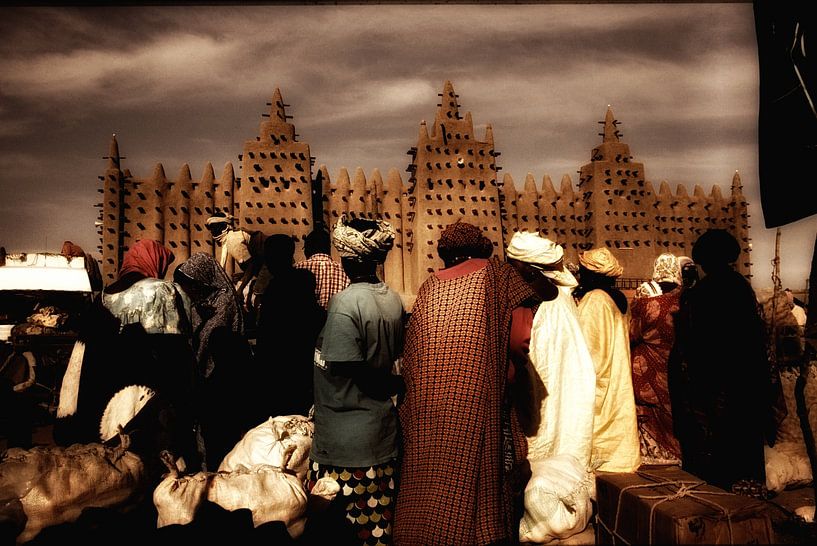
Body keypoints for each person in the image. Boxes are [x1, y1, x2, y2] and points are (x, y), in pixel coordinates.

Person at [394, 221, 537, 546]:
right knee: (483, 492)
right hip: (480, 405)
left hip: (427, 411)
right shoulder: (499, 276)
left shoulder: (430, 285)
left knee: (430, 489)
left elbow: (413, 354)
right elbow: (520, 339)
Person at [55, 239, 197, 476]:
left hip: (106, 405)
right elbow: (174, 355)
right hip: (147, 405)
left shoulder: (102, 297)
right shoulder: (160, 290)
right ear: (154, 261)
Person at [304, 216, 405, 546]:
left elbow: (349, 367)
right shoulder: (390, 298)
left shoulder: (346, 303)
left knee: (343, 533)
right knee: (378, 530)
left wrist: (388, 385)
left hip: (346, 446)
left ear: (347, 259)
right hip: (379, 435)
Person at [505, 232, 597, 542]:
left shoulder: (545, 297)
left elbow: (537, 352)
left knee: (542, 447)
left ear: (530, 270)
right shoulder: (557, 294)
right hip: (559, 384)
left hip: (547, 385)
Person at [668, 229, 774, 496]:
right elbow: (755, 337)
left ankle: (722, 498)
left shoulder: (701, 293)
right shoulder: (741, 287)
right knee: (745, 436)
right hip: (746, 377)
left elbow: (692, 342)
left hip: (714, 380)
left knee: (718, 443)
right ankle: (748, 492)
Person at [174, 252, 261, 471]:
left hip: (223, 374)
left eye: (192, 285)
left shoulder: (224, 301)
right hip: (203, 376)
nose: (190, 291)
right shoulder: (200, 303)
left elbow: (215, 336)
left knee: (222, 438)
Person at [573, 247, 641, 473]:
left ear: (593, 274)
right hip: (618, 373)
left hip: (600, 376)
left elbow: (587, 347)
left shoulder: (595, 300)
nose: (580, 276)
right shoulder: (619, 298)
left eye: (583, 271)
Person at [255, 234, 325, 418]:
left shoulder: (276, 290)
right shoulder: (302, 282)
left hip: (281, 372)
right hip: (305, 369)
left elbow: (268, 337)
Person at [629, 253, 683, 465]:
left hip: (647, 364)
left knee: (650, 409)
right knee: (672, 406)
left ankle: (655, 454)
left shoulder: (646, 301)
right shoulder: (684, 300)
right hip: (673, 361)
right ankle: (676, 451)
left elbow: (632, 332)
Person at [205, 212, 266, 311]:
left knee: (259, 292)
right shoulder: (233, 236)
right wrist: (243, 275)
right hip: (269, 262)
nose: (212, 232)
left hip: (274, 261)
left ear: (223, 226)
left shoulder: (233, 241)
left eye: (214, 228)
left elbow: (252, 265)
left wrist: (240, 289)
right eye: (210, 229)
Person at [295, 228, 351, 310]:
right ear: (328, 248)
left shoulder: (297, 268)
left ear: (307, 248)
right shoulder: (345, 271)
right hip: (336, 321)